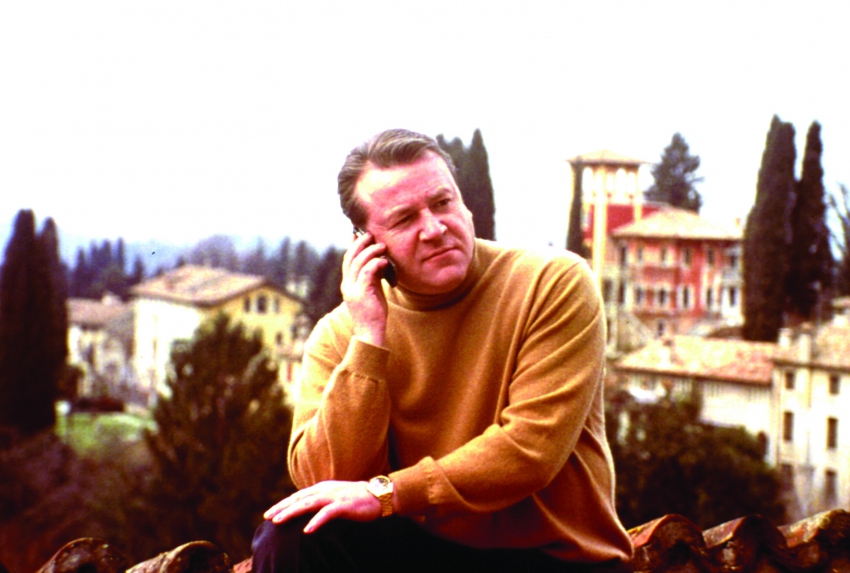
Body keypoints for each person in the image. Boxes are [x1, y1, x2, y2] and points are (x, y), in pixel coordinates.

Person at [251, 129, 633, 572]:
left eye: (442, 203)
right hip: (424, 552)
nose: (434, 229)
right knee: (296, 533)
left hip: (554, 559)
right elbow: (325, 483)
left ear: (464, 205)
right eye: (404, 220)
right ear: (365, 243)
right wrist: (369, 339)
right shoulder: (342, 334)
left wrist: (389, 494)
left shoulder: (552, 282)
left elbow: (530, 451)